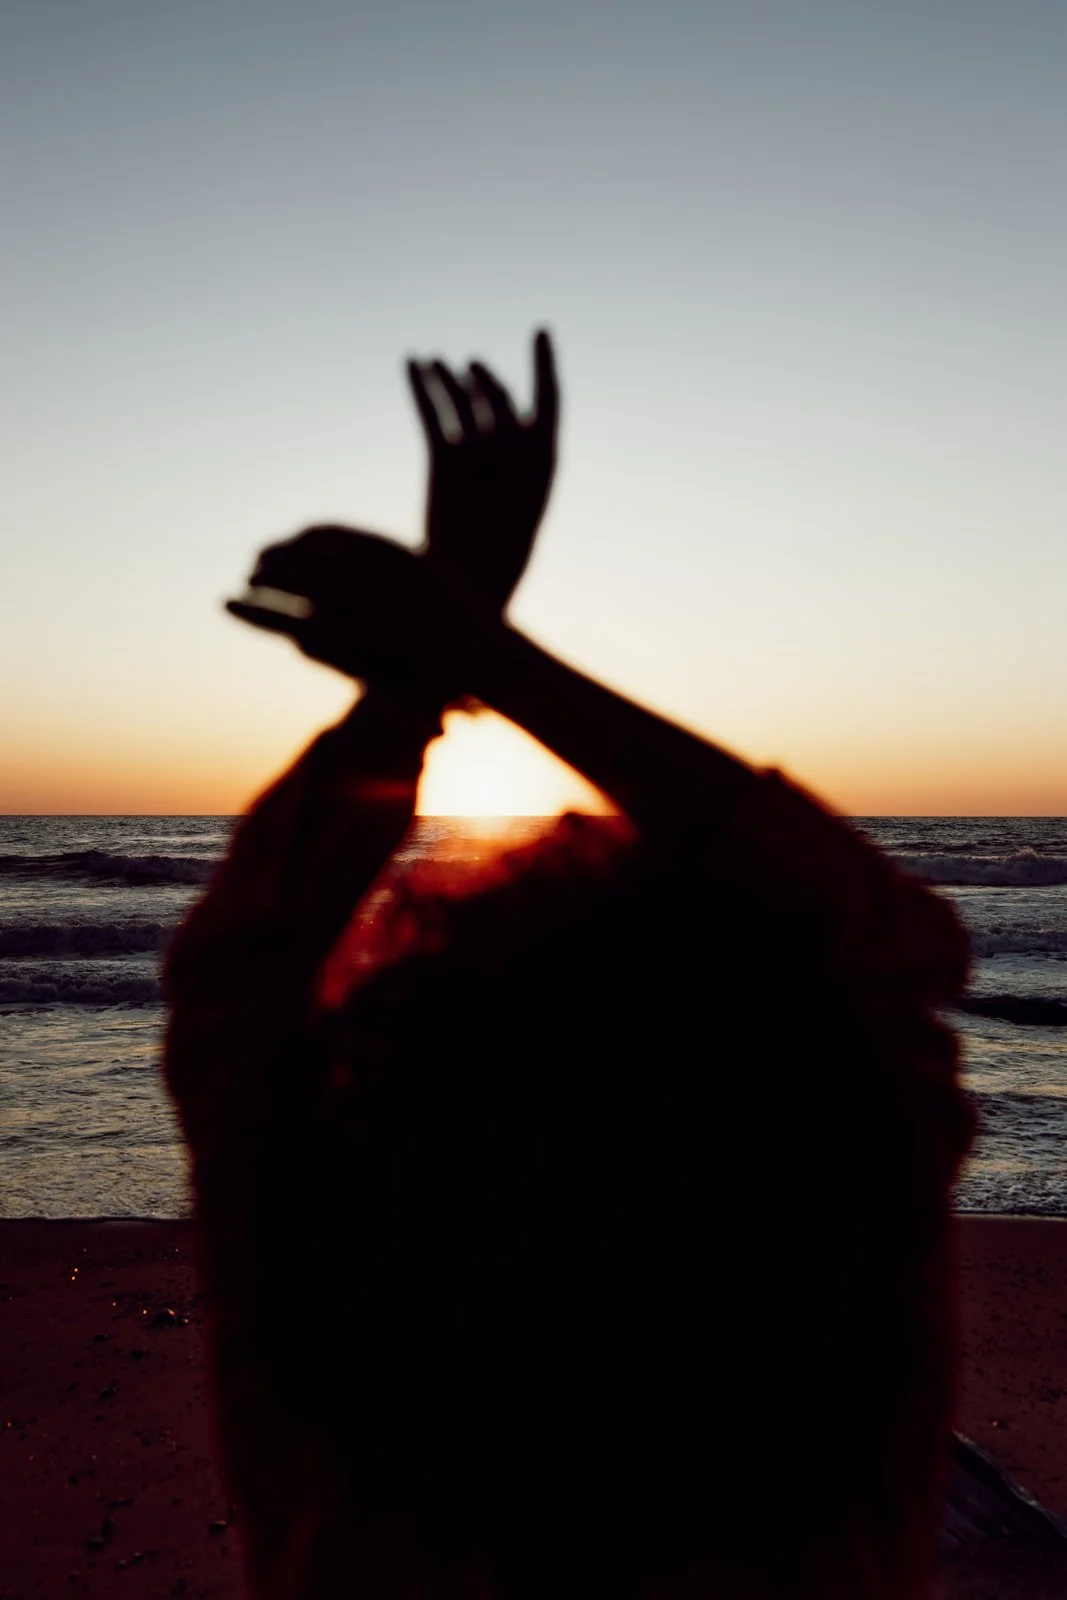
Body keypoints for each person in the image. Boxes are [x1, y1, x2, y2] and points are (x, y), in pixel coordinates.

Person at [164, 333, 974, 1600]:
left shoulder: (337, 1361)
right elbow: (886, 947)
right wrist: (489, 656)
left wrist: (419, 681)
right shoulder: (836, 1352)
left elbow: (234, 983)